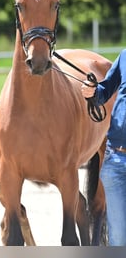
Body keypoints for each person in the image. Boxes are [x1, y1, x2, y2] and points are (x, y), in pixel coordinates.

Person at [81, 49, 126, 246]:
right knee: (118, 238)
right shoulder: (125, 56)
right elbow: (105, 90)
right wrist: (93, 92)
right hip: (116, 158)